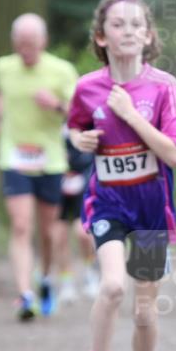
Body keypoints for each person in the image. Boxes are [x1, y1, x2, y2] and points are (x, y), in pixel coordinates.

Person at [69, 0, 176, 351]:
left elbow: (175, 155)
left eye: (135, 24)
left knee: (143, 310)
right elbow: (78, 126)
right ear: (101, 36)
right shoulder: (86, 87)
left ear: (148, 35)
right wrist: (79, 141)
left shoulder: (165, 88)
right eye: (117, 24)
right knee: (112, 287)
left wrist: (130, 117)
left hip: (150, 207)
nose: (127, 31)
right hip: (108, 203)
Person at [0, 14, 78, 320]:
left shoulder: (62, 71)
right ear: (14, 42)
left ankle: (46, 279)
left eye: (31, 44)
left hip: (50, 159)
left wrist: (56, 106)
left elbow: (80, 116)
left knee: (48, 232)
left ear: (44, 42)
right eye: (21, 44)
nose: (26, 50)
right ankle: (25, 294)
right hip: (14, 156)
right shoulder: (3, 67)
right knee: (22, 225)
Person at [51, 129, 99, 304]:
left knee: (83, 234)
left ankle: (90, 273)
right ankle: (66, 282)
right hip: (56, 177)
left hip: (84, 176)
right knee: (59, 236)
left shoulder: (83, 112)